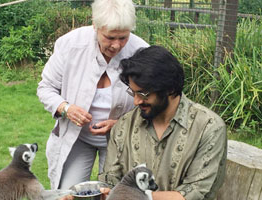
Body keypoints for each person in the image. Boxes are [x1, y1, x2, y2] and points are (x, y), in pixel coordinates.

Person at [36, 0, 149, 190]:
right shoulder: (70, 44)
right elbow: (46, 88)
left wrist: (122, 124)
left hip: (122, 140)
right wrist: (66, 108)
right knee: (69, 193)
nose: (116, 45)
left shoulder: (141, 51)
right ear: (95, 25)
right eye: (110, 37)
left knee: (116, 193)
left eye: (123, 37)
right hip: (78, 137)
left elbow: (150, 99)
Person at [98, 45, 227, 200]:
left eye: (143, 94)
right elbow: (110, 181)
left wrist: (134, 196)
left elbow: (194, 193)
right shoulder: (124, 125)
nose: (136, 101)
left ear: (169, 89)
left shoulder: (208, 128)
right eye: (133, 92)